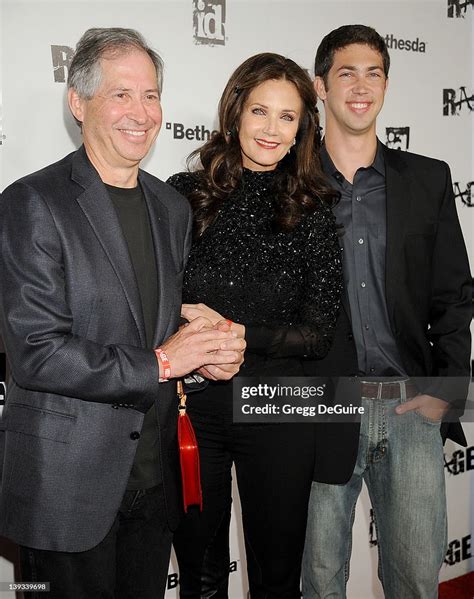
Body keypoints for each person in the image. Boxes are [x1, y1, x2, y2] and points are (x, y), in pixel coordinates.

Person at [0, 27, 245, 599]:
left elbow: (141, 319)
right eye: (122, 94)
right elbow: (36, 351)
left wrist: (203, 345)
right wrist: (163, 360)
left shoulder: (170, 207)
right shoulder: (32, 203)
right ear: (78, 103)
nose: (142, 112)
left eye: (152, 95)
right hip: (66, 489)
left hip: (153, 481)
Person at [302, 25, 472, 599]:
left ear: (387, 85)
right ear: (319, 84)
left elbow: (453, 295)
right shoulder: (290, 186)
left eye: (374, 72)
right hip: (321, 407)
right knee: (320, 582)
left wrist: (445, 393)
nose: (361, 85)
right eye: (347, 72)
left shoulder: (427, 179)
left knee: (416, 582)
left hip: (409, 409)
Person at [167, 52, 342, 599]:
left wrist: (242, 336)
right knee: (199, 572)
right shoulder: (184, 195)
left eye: (287, 117)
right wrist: (184, 321)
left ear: (302, 129)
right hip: (194, 403)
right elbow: (152, 297)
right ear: (235, 112)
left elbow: (318, 333)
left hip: (279, 402)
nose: (271, 129)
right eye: (260, 111)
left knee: (276, 572)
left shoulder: (314, 207)